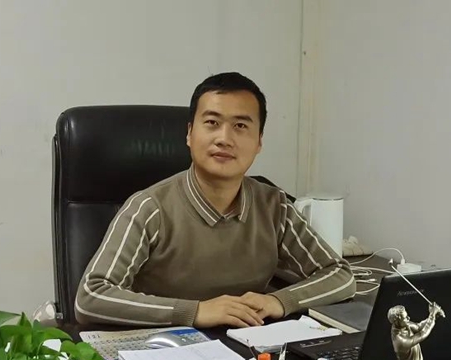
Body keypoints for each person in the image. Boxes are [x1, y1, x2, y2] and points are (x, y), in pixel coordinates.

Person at [75, 71, 355, 328]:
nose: (224, 138)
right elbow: (91, 296)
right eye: (212, 123)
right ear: (189, 133)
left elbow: (340, 275)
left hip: (246, 345)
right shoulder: (149, 208)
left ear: (259, 141)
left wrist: (278, 301)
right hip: (162, 349)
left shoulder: (275, 207)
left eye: (240, 126)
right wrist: (195, 311)